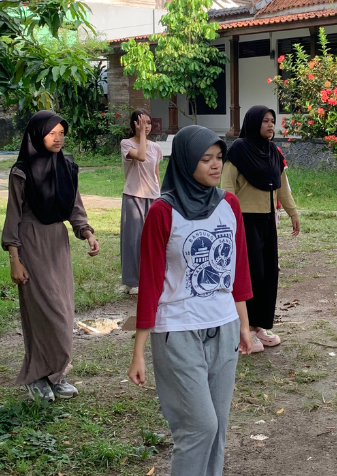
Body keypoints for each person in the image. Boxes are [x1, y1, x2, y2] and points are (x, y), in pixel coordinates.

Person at [128, 126, 253, 476]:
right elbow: (150, 285)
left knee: (219, 428)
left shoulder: (229, 204)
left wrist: (244, 325)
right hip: (177, 332)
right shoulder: (162, 212)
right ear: (185, 163)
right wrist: (139, 351)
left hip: (224, 326)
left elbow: (237, 272)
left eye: (219, 158)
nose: (216, 166)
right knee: (199, 427)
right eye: (205, 159)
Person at [2, 111, 100, 403]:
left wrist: (87, 233)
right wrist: (14, 259)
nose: (58, 138)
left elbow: (75, 208)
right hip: (31, 244)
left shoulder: (67, 167)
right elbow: (13, 218)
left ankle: (56, 375)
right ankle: (36, 377)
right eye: (51, 133)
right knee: (43, 313)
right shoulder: (21, 172)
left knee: (63, 311)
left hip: (58, 244)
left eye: (61, 133)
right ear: (36, 135)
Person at [221, 106, 300, 352]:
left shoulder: (273, 152)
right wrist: (231, 219)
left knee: (267, 274)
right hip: (244, 220)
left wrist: (292, 212)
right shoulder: (239, 150)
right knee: (250, 274)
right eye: (265, 120)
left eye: (272, 120)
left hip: (267, 220)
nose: (270, 125)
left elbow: (281, 186)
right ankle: (244, 328)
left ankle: (259, 326)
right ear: (254, 122)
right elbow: (226, 186)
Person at [120, 109, 163, 294]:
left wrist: (160, 196)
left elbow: (156, 173)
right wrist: (142, 136)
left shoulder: (156, 147)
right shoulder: (126, 144)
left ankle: (155, 276)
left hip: (153, 197)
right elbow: (141, 156)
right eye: (142, 122)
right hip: (133, 196)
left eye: (148, 123)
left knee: (155, 240)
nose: (146, 126)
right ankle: (134, 281)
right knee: (134, 240)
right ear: (134, 125)